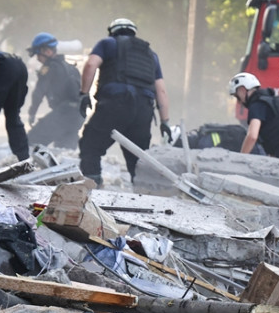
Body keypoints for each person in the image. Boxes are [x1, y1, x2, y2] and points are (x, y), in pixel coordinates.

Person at [78, 18, 172, 187]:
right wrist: (165, 122)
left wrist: (84, 94)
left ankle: (92, 192)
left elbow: (91, 64)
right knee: (138, 160)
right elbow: (162, 91)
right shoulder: (151, 54)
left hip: (115, 104)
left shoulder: (107, 43)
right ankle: (144, 195)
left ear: (113, 31)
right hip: (144, 110)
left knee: (90, 147)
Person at [227, 73, 279, 161]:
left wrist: (240, 158)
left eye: (237, 96)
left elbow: (252, 136)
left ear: (242, 90)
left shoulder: (256, 105)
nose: (239, 102)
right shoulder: (269, 101)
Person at [25, 32, 84, 150]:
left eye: (38, 54)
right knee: (64, 152)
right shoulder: (71, 67)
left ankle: (29, 168)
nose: (38, 58)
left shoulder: (49, 68)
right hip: (78, 116)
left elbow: (39, 93)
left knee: (31, 141)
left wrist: (32, 113)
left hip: (64, 113)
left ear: (47, 51)